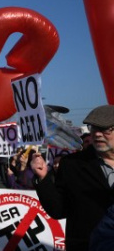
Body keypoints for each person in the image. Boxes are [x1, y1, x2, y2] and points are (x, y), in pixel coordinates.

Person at [31, 105, 114, 250]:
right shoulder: (72, 164)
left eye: (105, 129)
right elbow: (58, 209)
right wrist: (43, 178)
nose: (97, 134)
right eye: (94, 128)